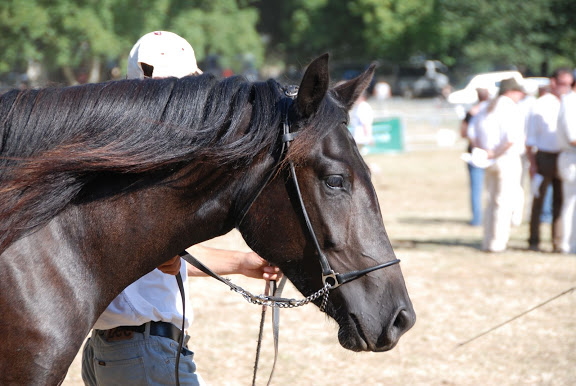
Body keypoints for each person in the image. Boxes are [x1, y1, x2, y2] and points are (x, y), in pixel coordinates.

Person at [81, 31, 280, 386]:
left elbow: (164, 256)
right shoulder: (147, 161)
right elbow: (163, 256)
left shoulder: (114, 151)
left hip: (114, 352)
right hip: (145, 354)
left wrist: (242, 263)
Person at [468, 78, 527, 252]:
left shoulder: (487, 106)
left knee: (492, 201)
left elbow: (472, 133)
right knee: (504, 202)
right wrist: (494, 152)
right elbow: (510, 139)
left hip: (489, 159)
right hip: (505, 158)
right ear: (511, 91)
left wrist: (484, 151)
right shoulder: (510, 108)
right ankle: (497, 243)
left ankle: (488, 240)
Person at [525, 68, 574, 252]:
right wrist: (533, 162)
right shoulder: (540, 104)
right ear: (553, 82)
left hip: (563, 155)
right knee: (539, 199)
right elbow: (530, 138)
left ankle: (558, 240)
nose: (566, 88)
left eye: (569, 84)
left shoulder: (569, 103)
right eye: (563, 84)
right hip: (544, 155)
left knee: (561, 201)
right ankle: (534, 239)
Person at [460, 88, 490, 226]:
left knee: (476, 189)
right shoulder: (492, 110)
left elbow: (464, 132)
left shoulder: (472, 112)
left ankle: (477, 218)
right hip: (490, 153)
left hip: (476, 153)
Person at [557, 78, 576, 254]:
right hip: (572, 157)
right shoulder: (570, 102)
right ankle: (568, 244)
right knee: (571, 203)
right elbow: (573, 137)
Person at [350, 90, 374, 154]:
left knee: (357, 154)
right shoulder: (358, 107)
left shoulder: (363, 107)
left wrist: (369, 136)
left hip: (361, 135)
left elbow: (365, 123)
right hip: (357, 134)